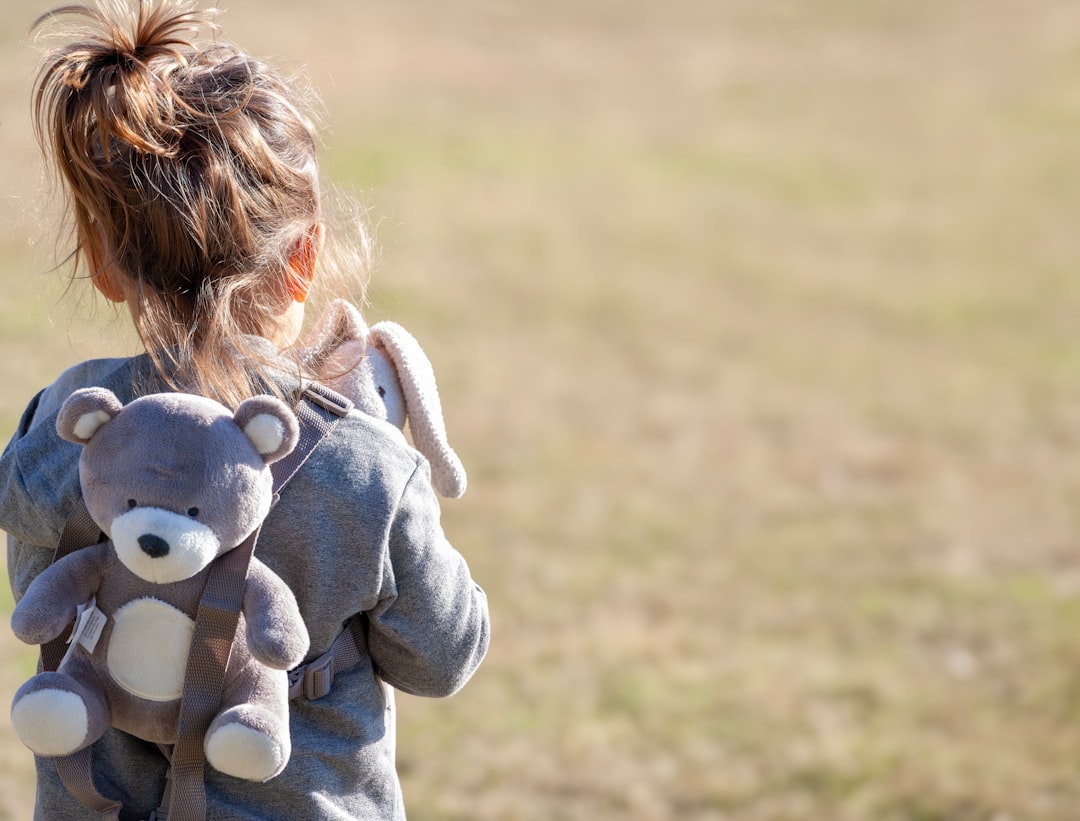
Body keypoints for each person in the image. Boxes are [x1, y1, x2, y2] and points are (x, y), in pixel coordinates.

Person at [0, 1, 490, 818]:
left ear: (103, 262)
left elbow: (35, 598)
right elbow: (444, 656)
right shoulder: (364, 461)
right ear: (303, 256)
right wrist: (388, 463)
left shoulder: (66, 424)